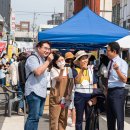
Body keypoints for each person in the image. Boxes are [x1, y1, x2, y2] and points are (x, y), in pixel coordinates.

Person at [24, 41, 54, 130]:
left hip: (41, 92)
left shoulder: (42, 59)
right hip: (33, 91)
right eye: (45, 48)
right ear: (38, 48)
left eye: (49, 49)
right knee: (33, 117)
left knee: (37, 117)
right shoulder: (32, 58)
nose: (47, 51)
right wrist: (48, 61)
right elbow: (38, 72)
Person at [72, 50, 97, 130]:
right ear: (78, 61)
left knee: (89, 118)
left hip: (90, 96)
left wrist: (95, 97)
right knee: (79, 119)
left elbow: (94, 84)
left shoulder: (91, 70)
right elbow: (76, 81)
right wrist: (82, 70)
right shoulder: (75, 70)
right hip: (79, 96)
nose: (85, 60)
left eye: (86, 58)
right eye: (82, 58)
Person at [106, 42, 128, 130]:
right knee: (110, 118)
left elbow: (124, 79)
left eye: (108, 50)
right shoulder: (110, 62)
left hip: (118, 91)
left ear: (114, 51)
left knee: (119, 117)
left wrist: (118, 70)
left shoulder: (122, 63)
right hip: (110, 91)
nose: (106, 52)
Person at [49, 52, 73, 130]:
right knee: (54, 119)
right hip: (56, 97)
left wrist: (69, 94)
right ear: (55, 62)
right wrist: (62, 71)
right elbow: (59, 80)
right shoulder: (53, 69)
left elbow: (71, 82)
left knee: (63, 118)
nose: (61, 62)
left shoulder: (68, 69)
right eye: (59, 61)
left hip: (65, 97)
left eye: (62, 60)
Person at [64, 52, 76, 127]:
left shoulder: (65, 67)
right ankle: (73, 122)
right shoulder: (73, 68)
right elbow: (72, 81)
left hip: (67, 89)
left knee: (66, 106)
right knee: (73, 107)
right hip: (73, 89)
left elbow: (70, 81)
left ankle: (65, 121)